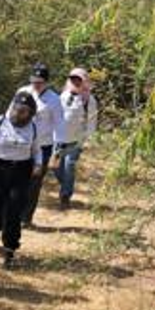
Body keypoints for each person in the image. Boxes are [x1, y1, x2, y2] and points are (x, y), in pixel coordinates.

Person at [0, 90, 42, 267]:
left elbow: (36, 150)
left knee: (14, 209)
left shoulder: (33, 127)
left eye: (24, 111)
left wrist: (38, 165)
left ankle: (10, 248)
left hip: (22, 171)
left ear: (30, 113)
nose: (19, 113)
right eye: (17, 109)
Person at [16, 63, 63, 226]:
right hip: (22, 143)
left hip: (43, 146)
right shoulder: (23, 92)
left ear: (47, 82)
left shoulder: (54, 99)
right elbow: (11, 114)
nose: (36, 84)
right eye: (34, 80)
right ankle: (13, 212)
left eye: (40, 81)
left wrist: (58, 149)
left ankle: (26, 217)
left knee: (34, 181)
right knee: (18, 179)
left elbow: (59, 125)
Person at [53, 68, 98, 210]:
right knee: (56, 167)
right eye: (73, 79)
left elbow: (91, 121)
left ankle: (65, 196)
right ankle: (66, 184)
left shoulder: (89, 100)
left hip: (76, 140)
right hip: (58, 138)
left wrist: (88, 139)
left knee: (69, 166)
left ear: (84, 81)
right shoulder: (63, 96)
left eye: (79, 79)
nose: (75, 82)